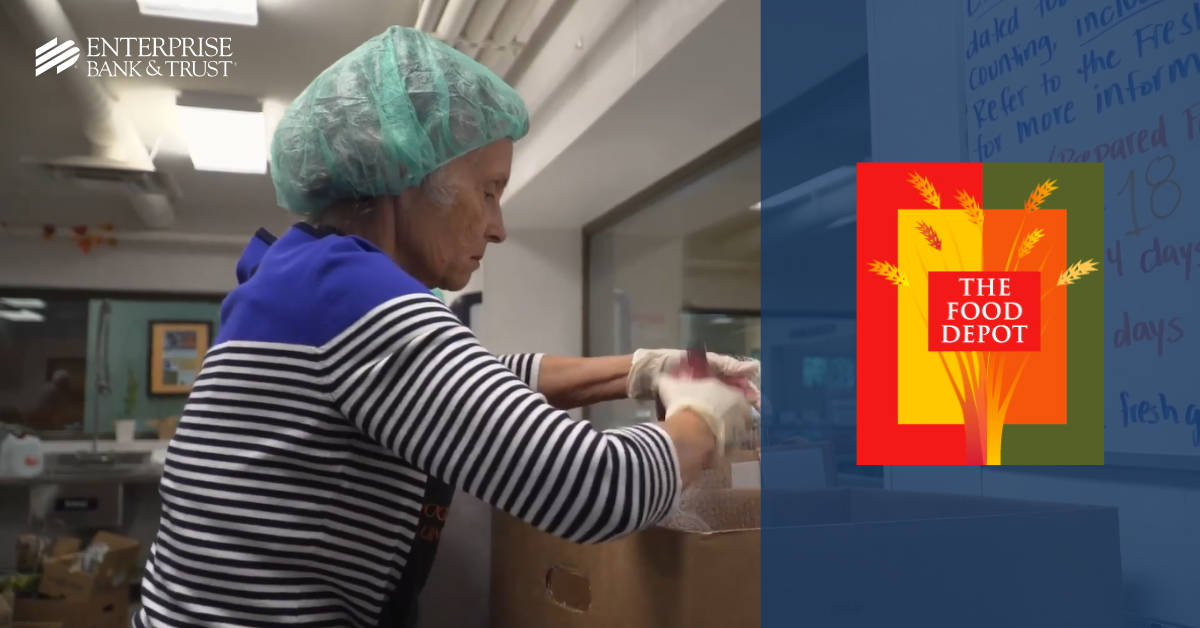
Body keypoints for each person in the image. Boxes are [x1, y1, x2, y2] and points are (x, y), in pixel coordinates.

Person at [134, 26, 758, 628]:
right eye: (489, 191)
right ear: (410, 175)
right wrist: (705, 416)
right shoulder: (354, 298)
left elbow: (472, 386)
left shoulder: (304, 277)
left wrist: (641, 370)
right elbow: (597, 489)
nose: (499, 226)